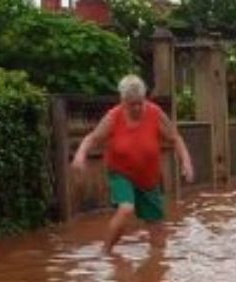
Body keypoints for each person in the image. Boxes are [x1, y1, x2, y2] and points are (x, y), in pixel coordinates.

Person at [72, 75, 196, 252]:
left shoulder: (155, 113)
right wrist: (80, 155)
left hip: (148, 179)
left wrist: (186, 162)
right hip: (121, 173)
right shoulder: (113, 117)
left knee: (159, 237)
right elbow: (92, 139)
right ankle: (106, 253)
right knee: (126, 208)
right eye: (132, 104)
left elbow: (175, 138)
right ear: (123, 101)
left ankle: (155, 270)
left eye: (140, 102)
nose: (137, 107)